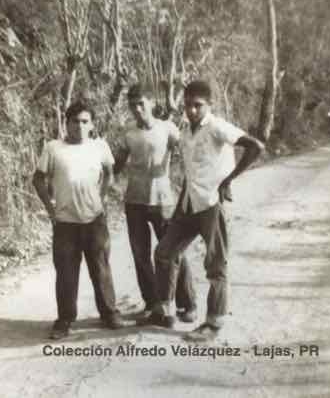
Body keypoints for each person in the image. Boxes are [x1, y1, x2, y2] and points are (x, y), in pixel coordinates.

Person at [142, 80, 264, 341]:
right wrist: (182, 201)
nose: (192, 110)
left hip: (211, 204)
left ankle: (213, 324)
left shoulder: (217, 127)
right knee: (164, 252)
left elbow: (255, 147)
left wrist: (229, 180)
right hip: (189, 204)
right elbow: (190, 170)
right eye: (188, 105)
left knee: (216, 264)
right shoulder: (186, 131)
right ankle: (166, 310)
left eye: (198, 105)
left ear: (209, 105)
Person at [32, 99, 128, 340]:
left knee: (101, 268)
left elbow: (109, 174)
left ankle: (109, 313)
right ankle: (64, 320)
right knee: (66, 273)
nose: (80, 126)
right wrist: (50, 209)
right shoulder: (53, 148)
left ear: (92, 124)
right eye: (75, 121)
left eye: (85, 121)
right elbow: (38, 179)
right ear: (67, 123)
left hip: (94, 219)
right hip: (65, 222)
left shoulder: (100, 147)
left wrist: (103, 198)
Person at [114, 84, 197, 321]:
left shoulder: (168, 128)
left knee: (172, 253)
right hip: (134, 202)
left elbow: (188, 153)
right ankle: (152, 303)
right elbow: (117, 165)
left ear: (151, 102)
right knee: (140, 255)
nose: (137, 109)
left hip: (163, 201)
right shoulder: (128, 132)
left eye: (141, 103)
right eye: (132, 105)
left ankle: (187, 304)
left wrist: (192, 186)